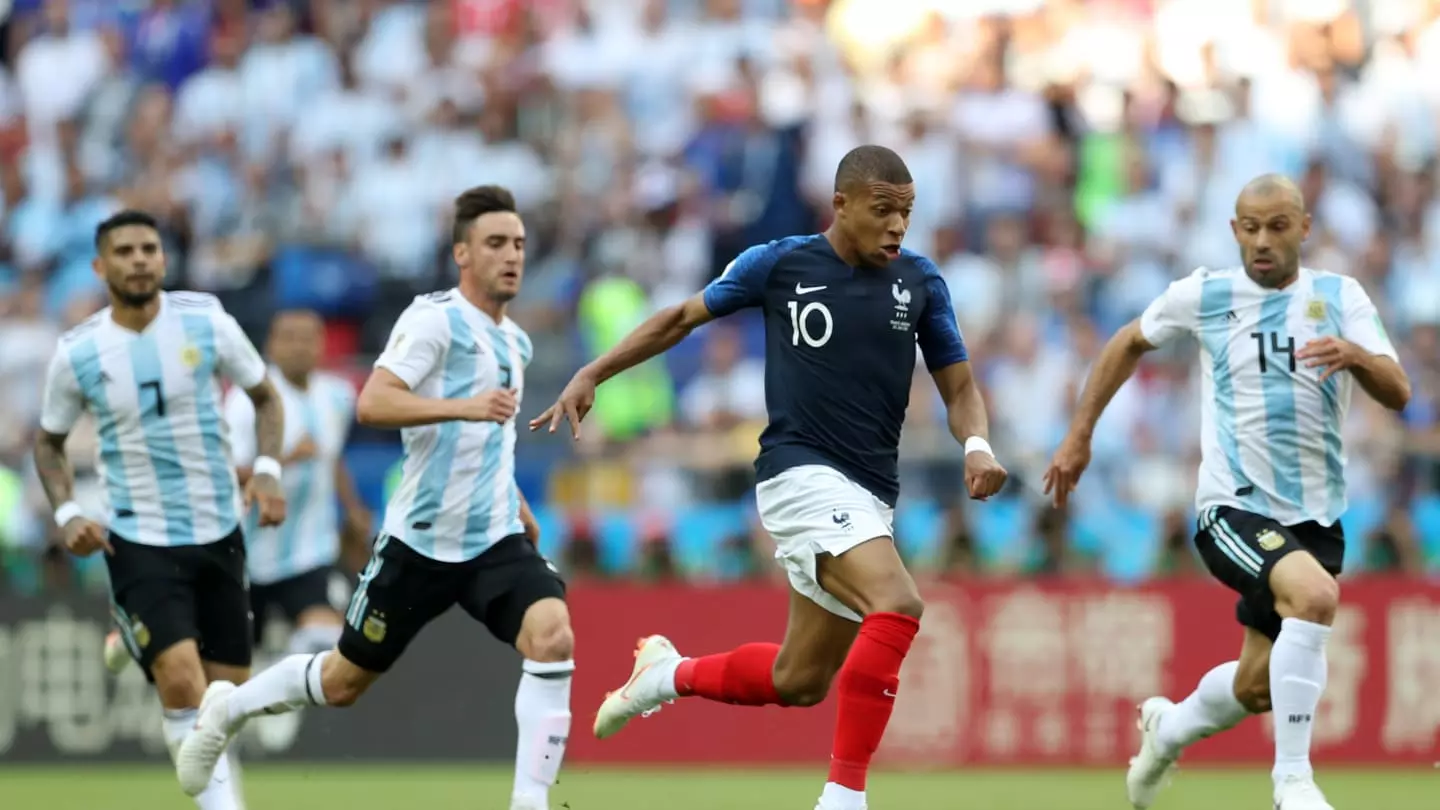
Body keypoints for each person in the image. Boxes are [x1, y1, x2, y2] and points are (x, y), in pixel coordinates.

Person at [531, 145, 1008, 810]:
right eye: (883, 210)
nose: (898, 224)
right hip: (799, 473)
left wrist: (977, 446)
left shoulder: (920, 281)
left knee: (799, 679)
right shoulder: (781, 263)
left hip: (871, 493)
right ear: (841, 205)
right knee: (897, 603)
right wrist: (593, 372)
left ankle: (667, 674)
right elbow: (681, 318)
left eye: (906, 211)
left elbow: (959, 387)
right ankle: (843, 798)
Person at [175, 186, 575, 810]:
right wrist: (463, 406)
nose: (512, 256)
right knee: (342, 682)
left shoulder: (516, 343)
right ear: (462, 254)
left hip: (492, 537)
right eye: (496, 243)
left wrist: (515, 498)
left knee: (553, 637)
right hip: (419, 542)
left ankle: (530, 802)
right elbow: (374, 401)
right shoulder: (434, 320)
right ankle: (229, 708)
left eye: (519, 244)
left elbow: (491, 440)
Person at [1043, 174, 1410, 810]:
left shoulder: (1338, 295)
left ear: (1304, 228)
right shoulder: (1207, 293)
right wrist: (1079, 435)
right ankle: (1292, 782)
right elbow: (1127, 341)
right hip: (1232, 508)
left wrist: (1355, 355)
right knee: (1314, 596)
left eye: (1277, 226)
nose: (1262, 240)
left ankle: (1167, 731)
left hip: (1316, 516)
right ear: (1235, 230)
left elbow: (1398, 391)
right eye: (1251, 227)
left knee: (1258, 686)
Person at [33, 209, 287, 810]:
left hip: (218, 526)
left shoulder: (207, 322)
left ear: (164, 259)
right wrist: (67, 512)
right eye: (124, 252)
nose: (139, 260)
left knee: (227, 696)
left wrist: (267, 470)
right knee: (182, 683)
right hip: (137, 535)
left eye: (149, 249)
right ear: (100, 267)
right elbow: (48, 442)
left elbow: (265, 397)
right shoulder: (79, 352)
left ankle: (130, 632)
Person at [224, 308, 370, 655]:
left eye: (308, 338)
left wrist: (352, 508)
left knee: (328, 647)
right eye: (288, 338)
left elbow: (332, 458)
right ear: (270, 346)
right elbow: (226, 471)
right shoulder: (248, 400)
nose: (299, 347)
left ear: (322, 345)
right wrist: (287, 458)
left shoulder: (337, 396)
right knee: (235, 663)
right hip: (246, 557)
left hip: (311, 552)